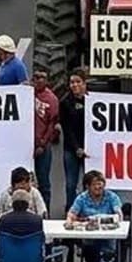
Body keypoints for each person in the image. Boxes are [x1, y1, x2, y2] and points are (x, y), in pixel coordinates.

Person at [67, 170, 124, 262]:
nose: (98, 187)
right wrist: (70, 221)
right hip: (90, 238)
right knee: (89, 249)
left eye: (100, 184)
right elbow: (72, 214)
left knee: (116, 250)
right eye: (94, 184)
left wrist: (115, 217)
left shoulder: (112, 197)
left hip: (108, 239)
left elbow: (118, 213)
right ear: (87, 186)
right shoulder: (82, 198)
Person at [58, 69, 89, 207]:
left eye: (78, 82)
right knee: (71, 184)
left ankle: (87, 209)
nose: (74, 85)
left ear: (84, 83)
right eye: (72, 82)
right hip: (71, 149)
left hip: (90, 149)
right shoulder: (65, 102)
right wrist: (77, 148)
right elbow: (67, 129)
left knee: (89, 183)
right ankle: (70, 209)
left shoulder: (94, 100)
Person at [30, 68, 61, 209]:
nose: (39, 80)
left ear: (47, 80)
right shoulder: (26, 94)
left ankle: (45, 210)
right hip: (26, 143)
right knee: (24, 179)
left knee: (43, 182)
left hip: (42, 145)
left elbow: (52, 123)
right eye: (36, 77)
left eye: (42, 77)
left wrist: (42, 144)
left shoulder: (52, 99)